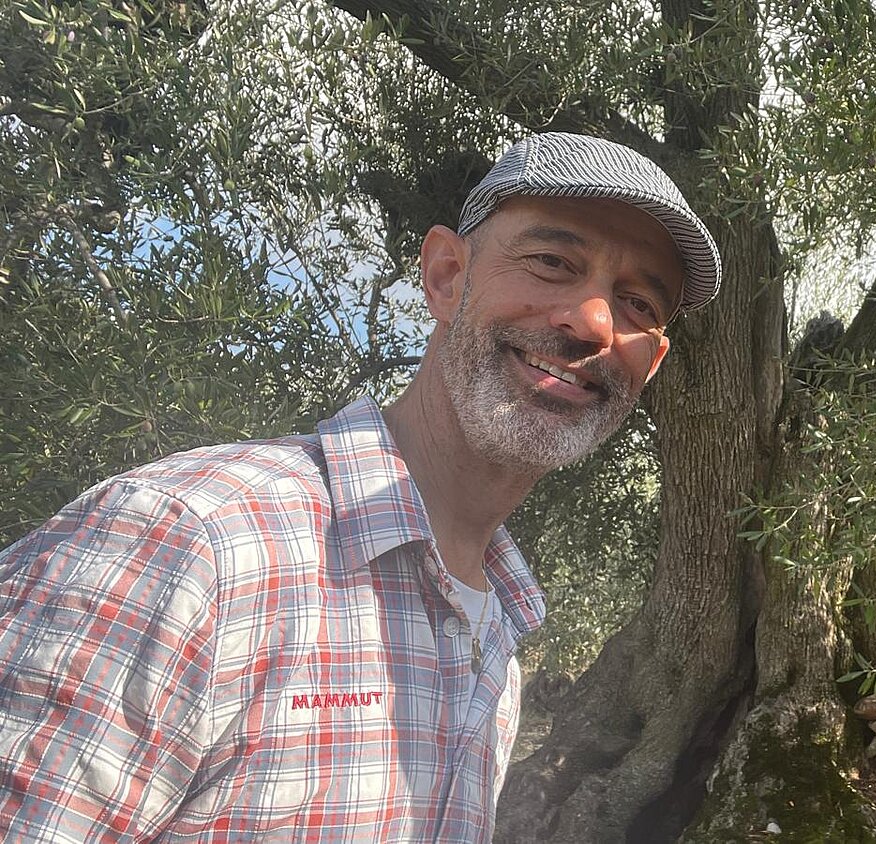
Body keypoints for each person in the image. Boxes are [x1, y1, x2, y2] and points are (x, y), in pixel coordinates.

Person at [0, 132, 721, 842]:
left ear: (651, 363)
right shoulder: (187, 543)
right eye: (553, 262)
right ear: (446, 277)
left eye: (638, 304)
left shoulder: (498, 638)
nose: (593, 322)